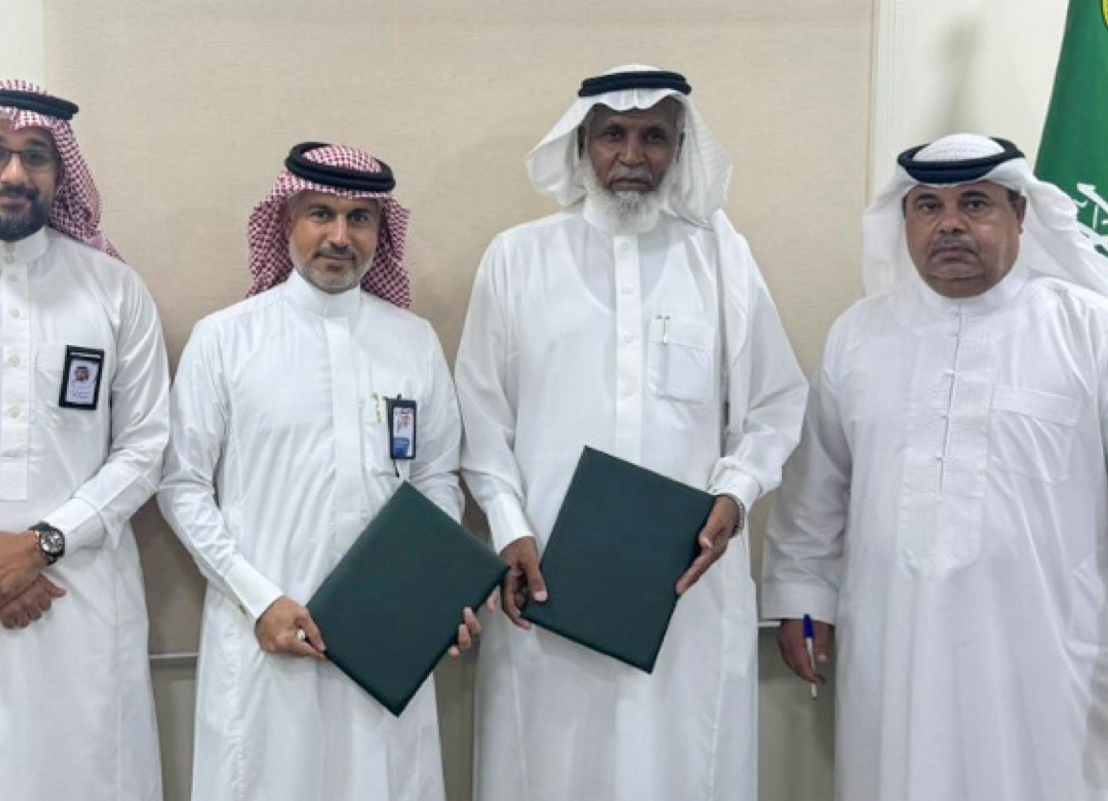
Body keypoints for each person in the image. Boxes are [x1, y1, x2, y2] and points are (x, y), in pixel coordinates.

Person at [457, 65, 807, 801]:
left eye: (654, 137)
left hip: (686, 581)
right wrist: (511, 527)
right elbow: (481, 419)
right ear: (581, 144)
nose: (632, 155)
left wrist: (738, 491)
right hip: (547, 574)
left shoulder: (722, 260)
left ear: (680, 148)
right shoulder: (517, 258)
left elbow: (777, 402)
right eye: (613, 134)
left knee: (682, 765)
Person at [763, 133, 1108, 801]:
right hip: (895, 643)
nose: (949, 223)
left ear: (1019, 212)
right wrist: (801, 607)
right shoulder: (858, 335)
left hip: (1050, 648)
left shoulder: (1089, 331)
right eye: (928, 206)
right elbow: (816, 494)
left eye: (974, 203)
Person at [158, 142, 479, 801]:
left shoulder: (413, 340)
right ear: (286, 221)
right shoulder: (226, 339)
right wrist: (260, 598)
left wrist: (430, 588)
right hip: (266, 634)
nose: (340, 236)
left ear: (380, 231)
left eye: (360, 218)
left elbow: (438, 478)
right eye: (321, 214)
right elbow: (182, 486)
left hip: (389, 635)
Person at [0, 80, 169, 800]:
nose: (14, 173)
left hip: (77, 597)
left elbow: (147, 445)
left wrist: (43, 544)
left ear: (62, 173)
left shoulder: (115, 289)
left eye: (36, 156)